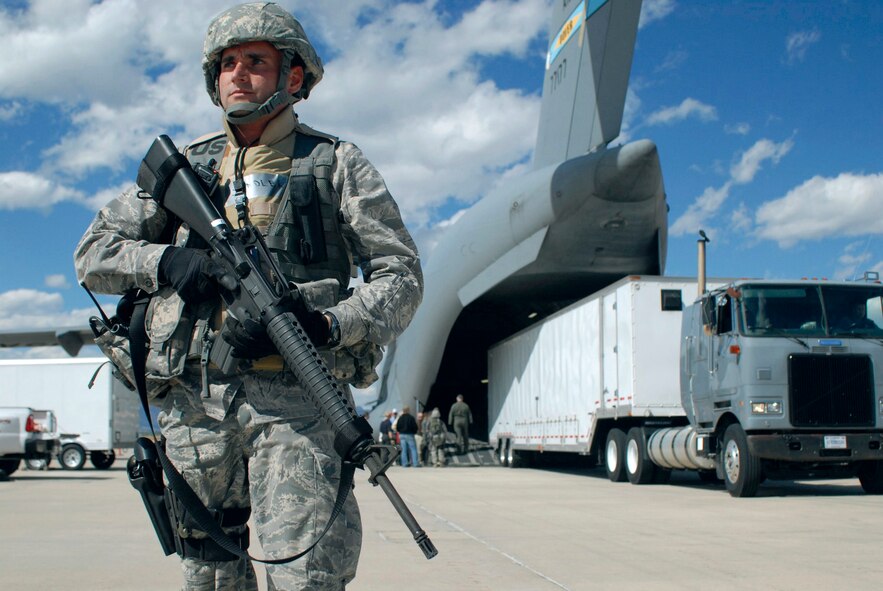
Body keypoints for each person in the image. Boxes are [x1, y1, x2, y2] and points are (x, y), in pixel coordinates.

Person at [74, 3, 423, 590]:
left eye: (256, 61)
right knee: (208, 575)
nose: (237, 74)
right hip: (196, 408)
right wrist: (169, 259)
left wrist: (328, 325)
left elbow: (401, 276)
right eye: (227, 63)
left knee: (307, 575)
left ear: (293, 76)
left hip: (297, 404)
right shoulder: (187, 168)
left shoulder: (334, 163)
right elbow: (93, 252)